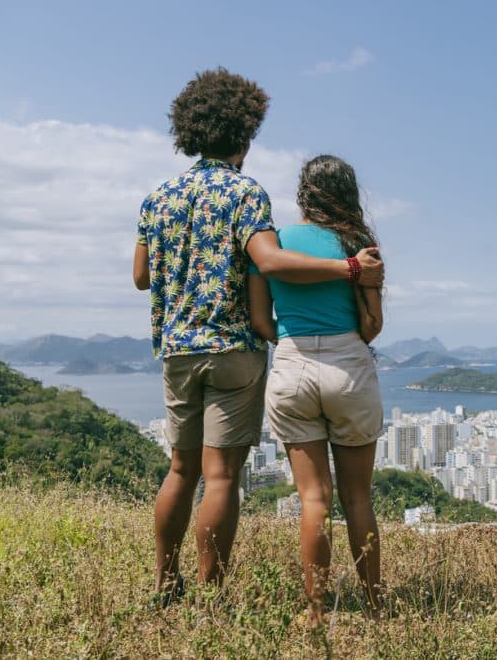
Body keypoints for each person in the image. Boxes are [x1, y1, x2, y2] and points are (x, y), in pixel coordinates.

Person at [133, 69, 383, 606]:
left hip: (178, 345)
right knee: (220, 476)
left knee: (181, 467)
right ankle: (209, 593)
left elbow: (141, 275)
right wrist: (347, 269)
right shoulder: (246, 193)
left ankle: (163, 581)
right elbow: (267, 261)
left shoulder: (158, 197)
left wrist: (183, 267)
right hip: (234, 348)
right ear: (244, 136)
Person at [248, 155, 385, 624]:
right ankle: (375, 604)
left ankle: (314, 611)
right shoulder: (359, 245)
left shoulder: (275, 242)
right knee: (358, 498)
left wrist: (293, 342)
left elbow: (260, 319)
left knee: (313, 499)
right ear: (348, 192)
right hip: (348, 365)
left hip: (292, 365)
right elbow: (373, 328)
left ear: (304, 192)